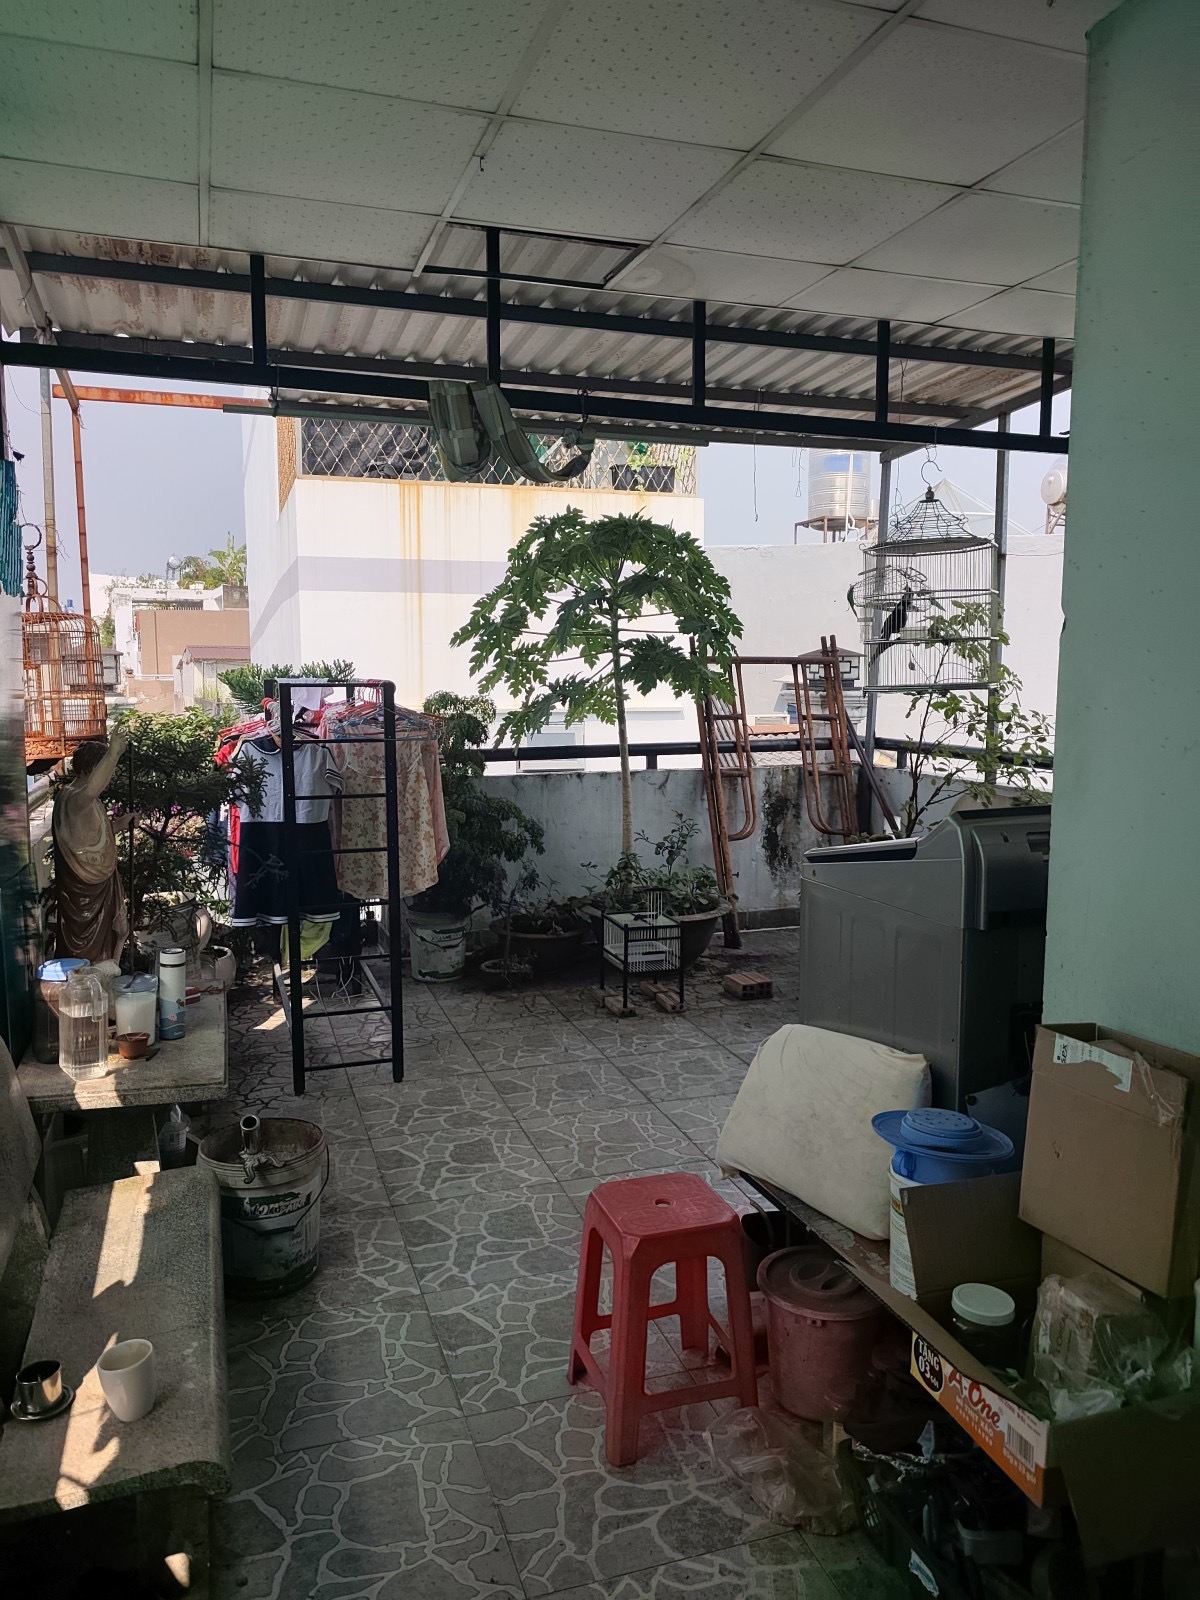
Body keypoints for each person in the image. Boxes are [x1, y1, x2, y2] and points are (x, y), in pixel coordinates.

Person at [52, 728, 133, 962]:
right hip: (83, 892)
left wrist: (119, 824)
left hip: (101, 882)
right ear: (92, 769)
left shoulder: (89, 800)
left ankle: (109, 967)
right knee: (87, 950)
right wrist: (113, 753)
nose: (110, 775)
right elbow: (90, 790)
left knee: (115, 934)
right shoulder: (74, 798)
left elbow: (91, 834)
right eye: (105, 768)